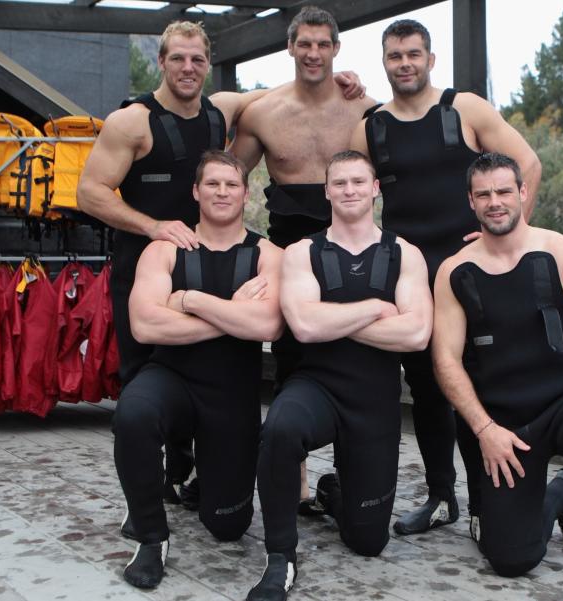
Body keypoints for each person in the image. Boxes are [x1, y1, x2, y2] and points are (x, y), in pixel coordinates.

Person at [78, 20, 362, 504]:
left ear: (208, 66)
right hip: (146, 263)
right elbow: (88, 192)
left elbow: (284, 90)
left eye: (197, 60)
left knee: (211, 372)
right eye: (177, 59)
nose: (188, 68)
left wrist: (334, 79)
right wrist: (153, 227)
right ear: (161, 60)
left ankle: (193, 472)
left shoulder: (220, 111)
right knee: (146, 382)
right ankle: (151, 489)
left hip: (208, 261)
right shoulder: (131, 121)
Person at [348, 19, 542, 536]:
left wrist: (504, 240)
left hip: (471, 270)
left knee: (482, 385)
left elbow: (527, 164)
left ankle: (487, 501)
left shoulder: (465, 108)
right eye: (394, 56)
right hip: (409, 276)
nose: (405, 63)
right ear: (384, 63)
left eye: (414, 54)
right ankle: (441, 497)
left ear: (431, 60)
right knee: (429, 390)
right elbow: (351, 197)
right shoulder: (370, 127)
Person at [432, 152, 563, 601]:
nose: (495, 202)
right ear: (471, 201)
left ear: (523, 193)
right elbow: (446, 361)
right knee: (511, 559)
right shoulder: (454, 271)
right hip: (505, 424)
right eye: (484, 194)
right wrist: (485, 428)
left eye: (504, 191)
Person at [245, 151, 432, 601]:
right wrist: (374, 308)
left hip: (375, 400)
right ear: (326, 191)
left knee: (368, 542)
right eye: (339, 183)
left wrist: (334, 319)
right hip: (316, 388)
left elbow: (418, 333)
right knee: (281, 428)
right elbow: (305, 328)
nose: (349, 190)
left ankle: (332, 490)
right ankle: (280, 557)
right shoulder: (302, 252)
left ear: (375, 189)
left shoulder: (404, 253)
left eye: (358, 182)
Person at [112, 150, 283, 589]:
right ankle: (151, 537)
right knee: (132, 413)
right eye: (212, 184)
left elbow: (267, 325)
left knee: (228, 526)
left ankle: (204, 480)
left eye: (231, 184)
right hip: (171, 377)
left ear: (246, 194)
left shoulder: (267, 254)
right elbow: (145, 323)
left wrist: (189, 301)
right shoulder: (165, 249)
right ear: (195, 191)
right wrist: (231, 318)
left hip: (232, 392)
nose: (222, 192)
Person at [230, 5, 378, 506]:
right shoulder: (263, 112)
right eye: (304, 44)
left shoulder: (363, 109)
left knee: (358, 358)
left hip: (356, 250)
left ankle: (350, 476)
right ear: (289, 48)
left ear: (337, 49)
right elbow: (228, 180)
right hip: (291, 252)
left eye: (323, 44)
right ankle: (291, 480)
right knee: (293, 363)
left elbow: (404, 169)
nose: (313, 53)